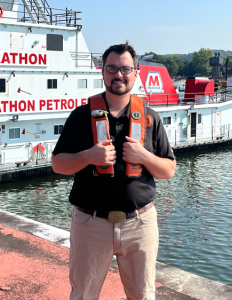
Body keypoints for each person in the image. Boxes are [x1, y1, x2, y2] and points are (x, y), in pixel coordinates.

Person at [52, 42, 176, 300]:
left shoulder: (150, 118)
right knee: (83, 294)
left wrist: (143, 156)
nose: (118, 74)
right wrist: (89, 156)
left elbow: (168, 170)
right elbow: (58, 164)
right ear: (103, 72)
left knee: (143, 295)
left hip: (140, 224)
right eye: (112, 68)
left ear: (136, 72)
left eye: (125, 69)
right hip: (90, 224)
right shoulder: (81, 117)